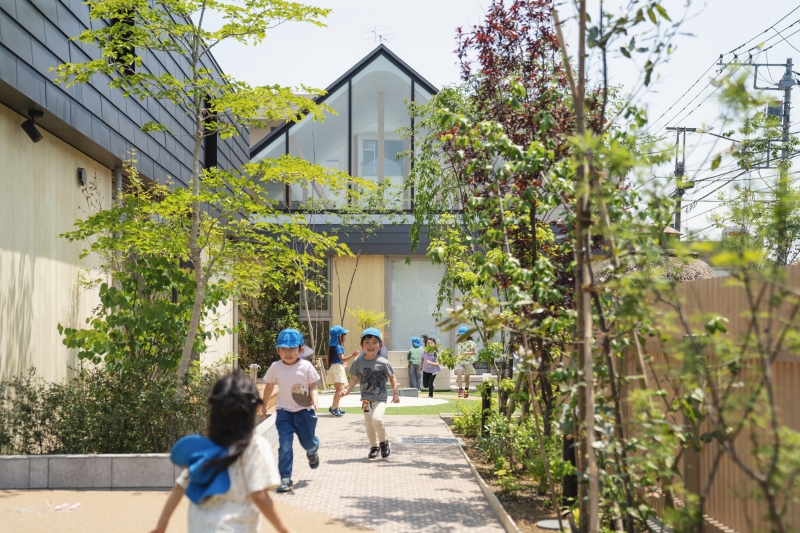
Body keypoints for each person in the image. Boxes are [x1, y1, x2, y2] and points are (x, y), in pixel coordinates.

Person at [149, 373, 292, 533]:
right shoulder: (254, 446)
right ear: (256, 408)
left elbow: (178, 487)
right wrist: (284, 529)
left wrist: (161, 525)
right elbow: (258, 494)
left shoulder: (207, 449)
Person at [260, 328, 321, 493]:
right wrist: (264, 405)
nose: (288, 352)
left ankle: (312, 450)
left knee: (308, 443)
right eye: (284, 348)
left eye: (292, 348)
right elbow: (269, 387)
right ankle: (285, 478)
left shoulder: (306, 366)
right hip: (284, 412)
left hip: (304, 412)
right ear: (277, 350)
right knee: (285, 445)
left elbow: (313, 386)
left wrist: (314, 398)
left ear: (301, 349)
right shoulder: (275, 367)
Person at [341, 328, 400, 459]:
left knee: (377, 420)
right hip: (366, 400)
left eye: (374, 342)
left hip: (380, 398)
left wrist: (395, 393)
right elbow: (354, 378)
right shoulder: (358, 361)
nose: (371, 345)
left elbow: (392, 377)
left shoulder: (383, 362)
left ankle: (384, 442)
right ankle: (374, 447)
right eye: (367, 342)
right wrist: (347, 390)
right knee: (369, 427)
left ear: (380, 345)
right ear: (361, 345)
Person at [327, 325, 359, 417]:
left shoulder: (334, 346)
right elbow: (343, 358)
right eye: (344, 335)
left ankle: (335, 407)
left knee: (338, 390)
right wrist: (353, 355)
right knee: (340, 390)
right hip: (337, 369)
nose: (345, 337)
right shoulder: (338, 347)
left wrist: (342, 364)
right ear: (340, 336)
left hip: (336, 368)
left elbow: (338, 360)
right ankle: (334, 408)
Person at [455, 326, 477, 398]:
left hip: (468, 361)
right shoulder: (458, 343)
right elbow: (459, 353)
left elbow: (474, 352)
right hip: (460, 361)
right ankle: (460, 389)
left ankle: (466, 389)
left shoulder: (470, 343)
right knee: (459, 373)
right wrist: (456, 356)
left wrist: (465, 353)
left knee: (466, 378)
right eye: (460, 335)